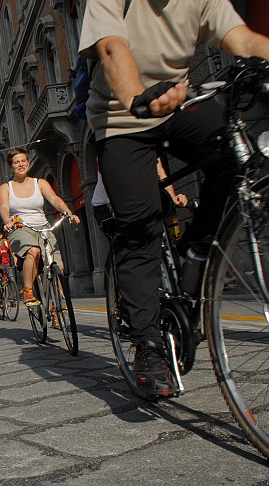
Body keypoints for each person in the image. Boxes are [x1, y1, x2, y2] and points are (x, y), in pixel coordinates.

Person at [79, 0, 269, 398]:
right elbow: (112, 48)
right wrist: (137, 96)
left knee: (238, 154)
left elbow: (244, 38)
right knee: (139, 226)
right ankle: (147, 346)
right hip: (120, 117)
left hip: (180, 104)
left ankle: (198, 248)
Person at [0, 148, 80, 308]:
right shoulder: (6, 187)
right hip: (20, 227)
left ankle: (57, 307)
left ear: (28, 162)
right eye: (16, 162)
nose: (21, 165)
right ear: (11, 166)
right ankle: (28, 290)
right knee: (34, 250)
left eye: (23, 161)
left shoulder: (40, 183)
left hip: (43, 227)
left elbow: (54, 199)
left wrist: (68, 213)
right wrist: (7, 220)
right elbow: (4, 206)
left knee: (56, 265)